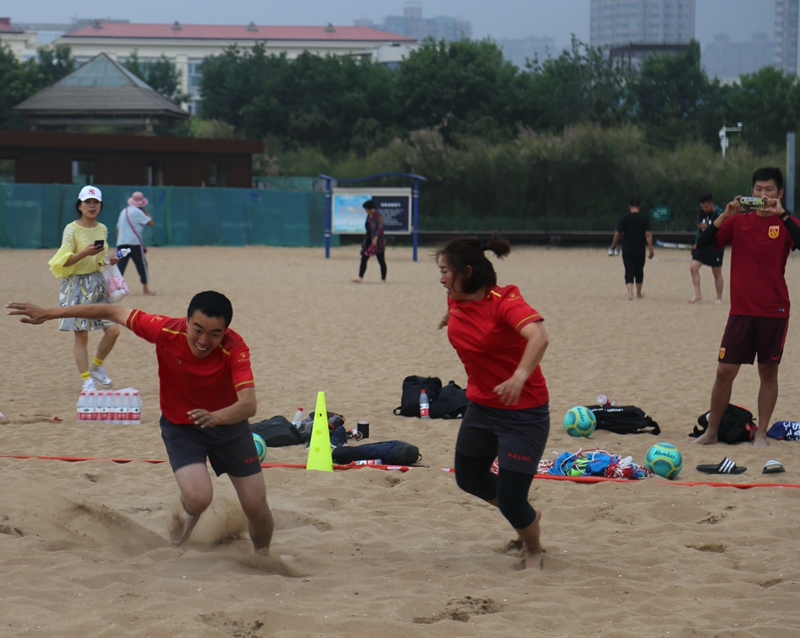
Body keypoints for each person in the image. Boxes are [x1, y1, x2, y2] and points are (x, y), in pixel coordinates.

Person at [6, 291, 274, 552]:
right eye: (198, 329)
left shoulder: (235, 348)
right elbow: (110, 311)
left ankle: (263, 556)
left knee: (257, 509)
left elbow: (248, 405)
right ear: (187, 321)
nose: (204, 340)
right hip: (182, 428)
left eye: (214, 334)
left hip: (229, 428)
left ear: (225, 331)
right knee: (199, 498)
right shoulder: (165, 330)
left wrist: (216, 417)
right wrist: (50, 313)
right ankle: (189, 512)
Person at [436, 233, 550, 570]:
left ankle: (534, 549)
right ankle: (525, 514)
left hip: (523, 414)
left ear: (467, 272)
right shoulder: (455, 298)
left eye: (445, 271)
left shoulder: (504, 302)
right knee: (469, 478)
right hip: (482, 408)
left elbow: (539, 336)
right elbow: (463, 313)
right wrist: (448, 318)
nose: (441, 279)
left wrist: (519, 376)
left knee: (513, 500)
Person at [692, 167, 800, 447]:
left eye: (769, 190)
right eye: (758, 189)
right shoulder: (738, 222)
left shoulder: (786, 222)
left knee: (768, 372)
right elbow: (704, 244)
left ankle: (761, 433)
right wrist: (725, 214)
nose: (763, 194)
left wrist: (783, 215)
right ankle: (711, 432)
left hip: (774, 310)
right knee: (724, 372)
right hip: (740, 311)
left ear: (779, 193)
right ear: (751, 191)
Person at [48, 185, 120, 392]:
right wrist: (84, 253)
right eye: (87, 202)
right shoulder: (71, 229)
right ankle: (87, 380)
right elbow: (63, 261)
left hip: (97, 282)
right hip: (75, 284)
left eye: (96, 202)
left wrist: (109, 259)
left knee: (113, 331)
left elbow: (99, 259)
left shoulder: (102, 229)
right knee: (82, 335)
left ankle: (96, 367)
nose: (92, 206)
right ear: (79, 205)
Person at [608, 199, 655, 300]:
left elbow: (618, 234)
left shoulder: (624, 218)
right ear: (640, 206)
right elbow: (648, 234)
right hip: (640, 248)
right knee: (639, 271)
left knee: (628, 270)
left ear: (629, 206)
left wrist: (613, 245)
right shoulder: (644, 218)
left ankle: (630, 294)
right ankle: (638, 293)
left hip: (627, 248)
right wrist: (651, 249)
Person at [116, 191, 155, 296]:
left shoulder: (123, 211)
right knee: (142, 265)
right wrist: (146, 211)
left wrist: (119, 242)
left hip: (121, 243)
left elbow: (117, 229)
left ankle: (116, 289)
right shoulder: (138, 212)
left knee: (119, 266)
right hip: (134, 243)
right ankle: (145, 289)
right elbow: (151, 223)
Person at [689, 193, 725, 303]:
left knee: (716, 272)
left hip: (715, 245)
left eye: (706, 206)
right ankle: (697, 294)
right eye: (702, 207)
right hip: (703, 245)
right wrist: (697, 242)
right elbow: (699, 231)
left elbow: (723, 229)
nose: (704, 209)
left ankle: (719, 297)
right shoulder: (701, 213)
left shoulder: (720, 213)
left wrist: (709, 228)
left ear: (711, 203)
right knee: (693, 267)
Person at [351, 200, 386, 283]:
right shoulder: (368, 217)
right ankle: (360, 277)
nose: (365, 211)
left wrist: (376, 238)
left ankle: (383, 278)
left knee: (381, 260)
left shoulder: (379, 217)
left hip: (378, 242)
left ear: (371, 208)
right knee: (364, 258)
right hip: (369, 241)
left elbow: (380, 229)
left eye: (366, 209)